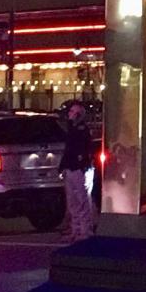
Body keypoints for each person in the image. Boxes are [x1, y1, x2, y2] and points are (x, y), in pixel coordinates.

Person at [59, 98, 98, 240]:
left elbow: (82, 149)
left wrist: (82, 164)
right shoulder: (72, 129)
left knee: (81, 200)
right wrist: (63, 167)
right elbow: (68, 150)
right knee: (72, 201)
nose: (70, 113)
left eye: (73, 111)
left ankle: (85, 231)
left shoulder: (81, 130)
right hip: (71, 167)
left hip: (78, 168)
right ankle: (76, 229)